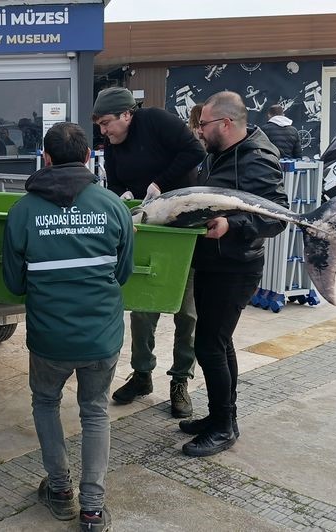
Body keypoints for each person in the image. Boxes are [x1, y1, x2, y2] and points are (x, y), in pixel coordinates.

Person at [2, 122, 133, 532]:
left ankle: (59, 492)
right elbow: (123, 273)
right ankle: (92, 509)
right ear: (88, 157)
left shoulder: (22, 211)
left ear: (46, 159)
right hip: (101, 335)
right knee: (94, 411)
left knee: (46, 403)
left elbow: (13, 282)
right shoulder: (113, 206)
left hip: (49, 337)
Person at [179, 91, 287, 457]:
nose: (199, 130)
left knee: (210, 345)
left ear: (225, 123)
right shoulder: (218, 154)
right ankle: (218, 417)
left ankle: (224, 426)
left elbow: (277, 217)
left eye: (203, 124)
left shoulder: (258, 158)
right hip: (213, 262)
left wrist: (232, 224)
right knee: (217, 343)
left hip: (235, 267)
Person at [91, 86, 203, 418]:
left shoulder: (155, 121)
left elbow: (193, 151)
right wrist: (120, 197)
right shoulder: (112, 144)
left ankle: (180, 380)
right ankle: (142, 374)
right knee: (142, 306)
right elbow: (112, 183)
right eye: (99, 125)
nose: (103, 131)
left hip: (182, 223)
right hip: (146, 227)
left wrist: (160, 183)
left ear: (127, 114)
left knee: (187, 309)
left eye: (107, 123)